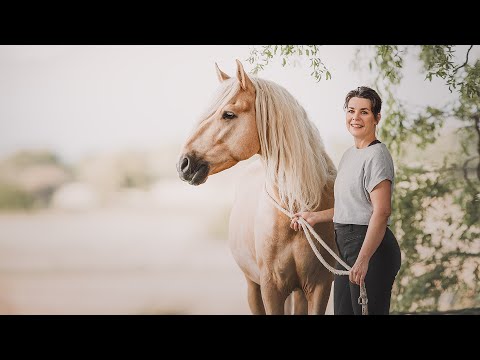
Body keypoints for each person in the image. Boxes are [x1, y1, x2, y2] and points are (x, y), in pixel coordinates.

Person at [290, 86, 401, 315]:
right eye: (351, 111)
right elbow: (349, 205)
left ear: (377, 117)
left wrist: (363, 259)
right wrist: (313, 217)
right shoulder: (349, 155)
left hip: (370, 248)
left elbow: (381, 212)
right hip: (345, 247)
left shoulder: (377, 156)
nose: (355, 118)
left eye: (364, 112)